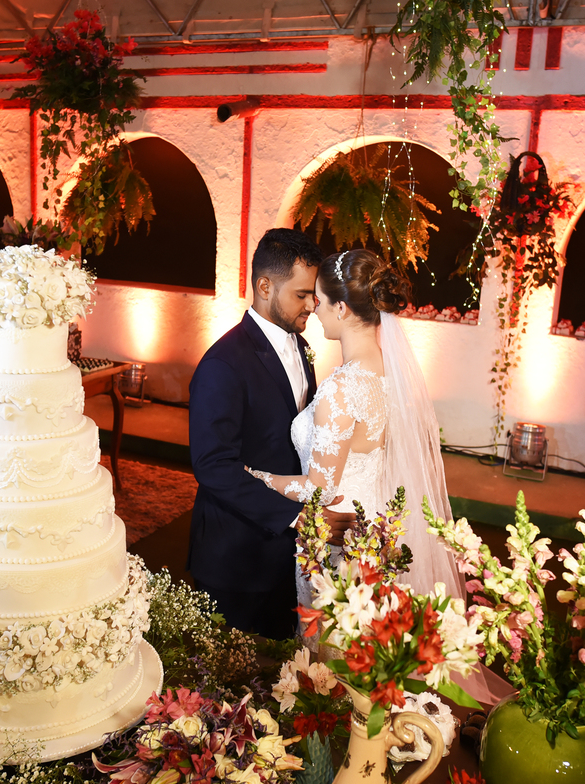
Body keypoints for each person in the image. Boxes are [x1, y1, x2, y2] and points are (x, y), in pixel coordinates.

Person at [248, 248, 513, 704]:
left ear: (342, 309)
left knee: (332, 658)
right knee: (365, 654)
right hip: (374, 531)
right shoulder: (389, 376)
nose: (314, 308)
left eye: (321, 300)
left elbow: (320, 487)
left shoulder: (344, 388)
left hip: (336, 538)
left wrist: (259, 476)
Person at [187, 229, 352, 640]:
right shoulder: (223, 364)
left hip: (286, 555)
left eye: (314, 295)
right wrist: (300, 517)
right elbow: (212, 467)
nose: (313, 305)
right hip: (238, 556)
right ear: (265, 287)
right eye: (301, 295)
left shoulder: (300, 346)